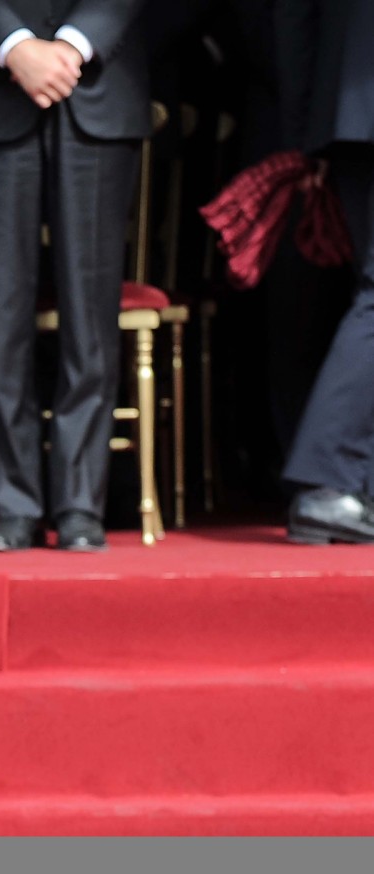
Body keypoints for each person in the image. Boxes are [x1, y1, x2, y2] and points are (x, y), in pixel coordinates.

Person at [0, 0, 152, 551]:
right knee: (0, 319)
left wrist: (76, 44)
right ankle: (13, 505)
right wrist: (14, 45)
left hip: (98, 86)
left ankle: (81, 503)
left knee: (91, 316)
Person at [276, 0, 374, 545]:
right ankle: (327, 480)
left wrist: (306, 133)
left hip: (347, 113)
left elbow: (293, 17)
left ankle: (352, 485)